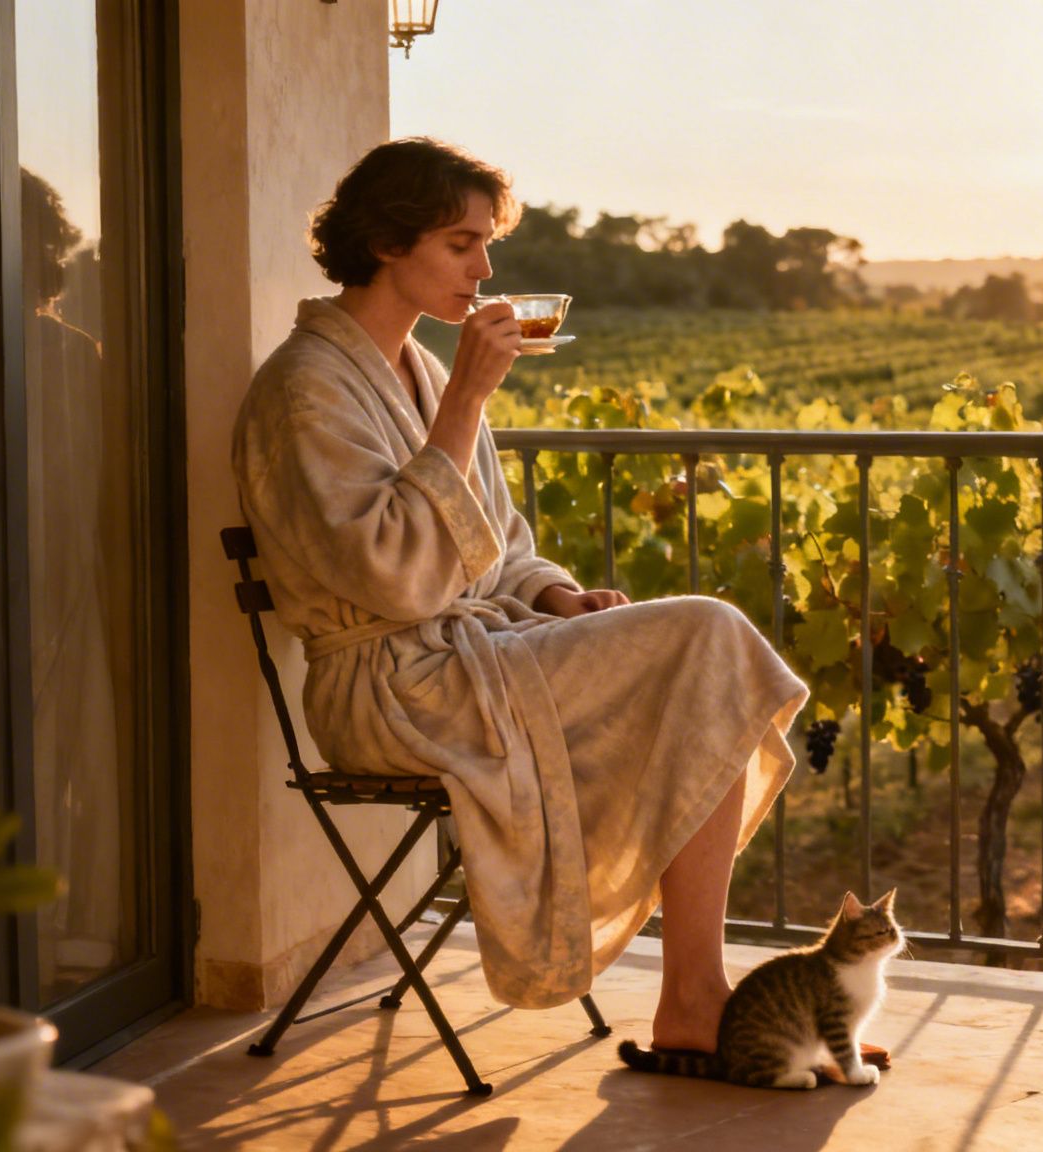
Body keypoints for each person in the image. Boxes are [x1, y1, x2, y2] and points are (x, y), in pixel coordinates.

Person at [232, 137, 807, 1054]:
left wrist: (555, 598)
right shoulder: (305, 388)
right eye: (463, 243)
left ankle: (696, 995)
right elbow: (395, 576)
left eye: (486, 244)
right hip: (387, 688)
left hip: (462, 657)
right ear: (388, 242)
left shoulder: (416, 370)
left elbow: (495, 546)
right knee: (708, 638)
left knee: (707, 664)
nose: (486, 268)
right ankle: (696, 1000)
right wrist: (466, 399)